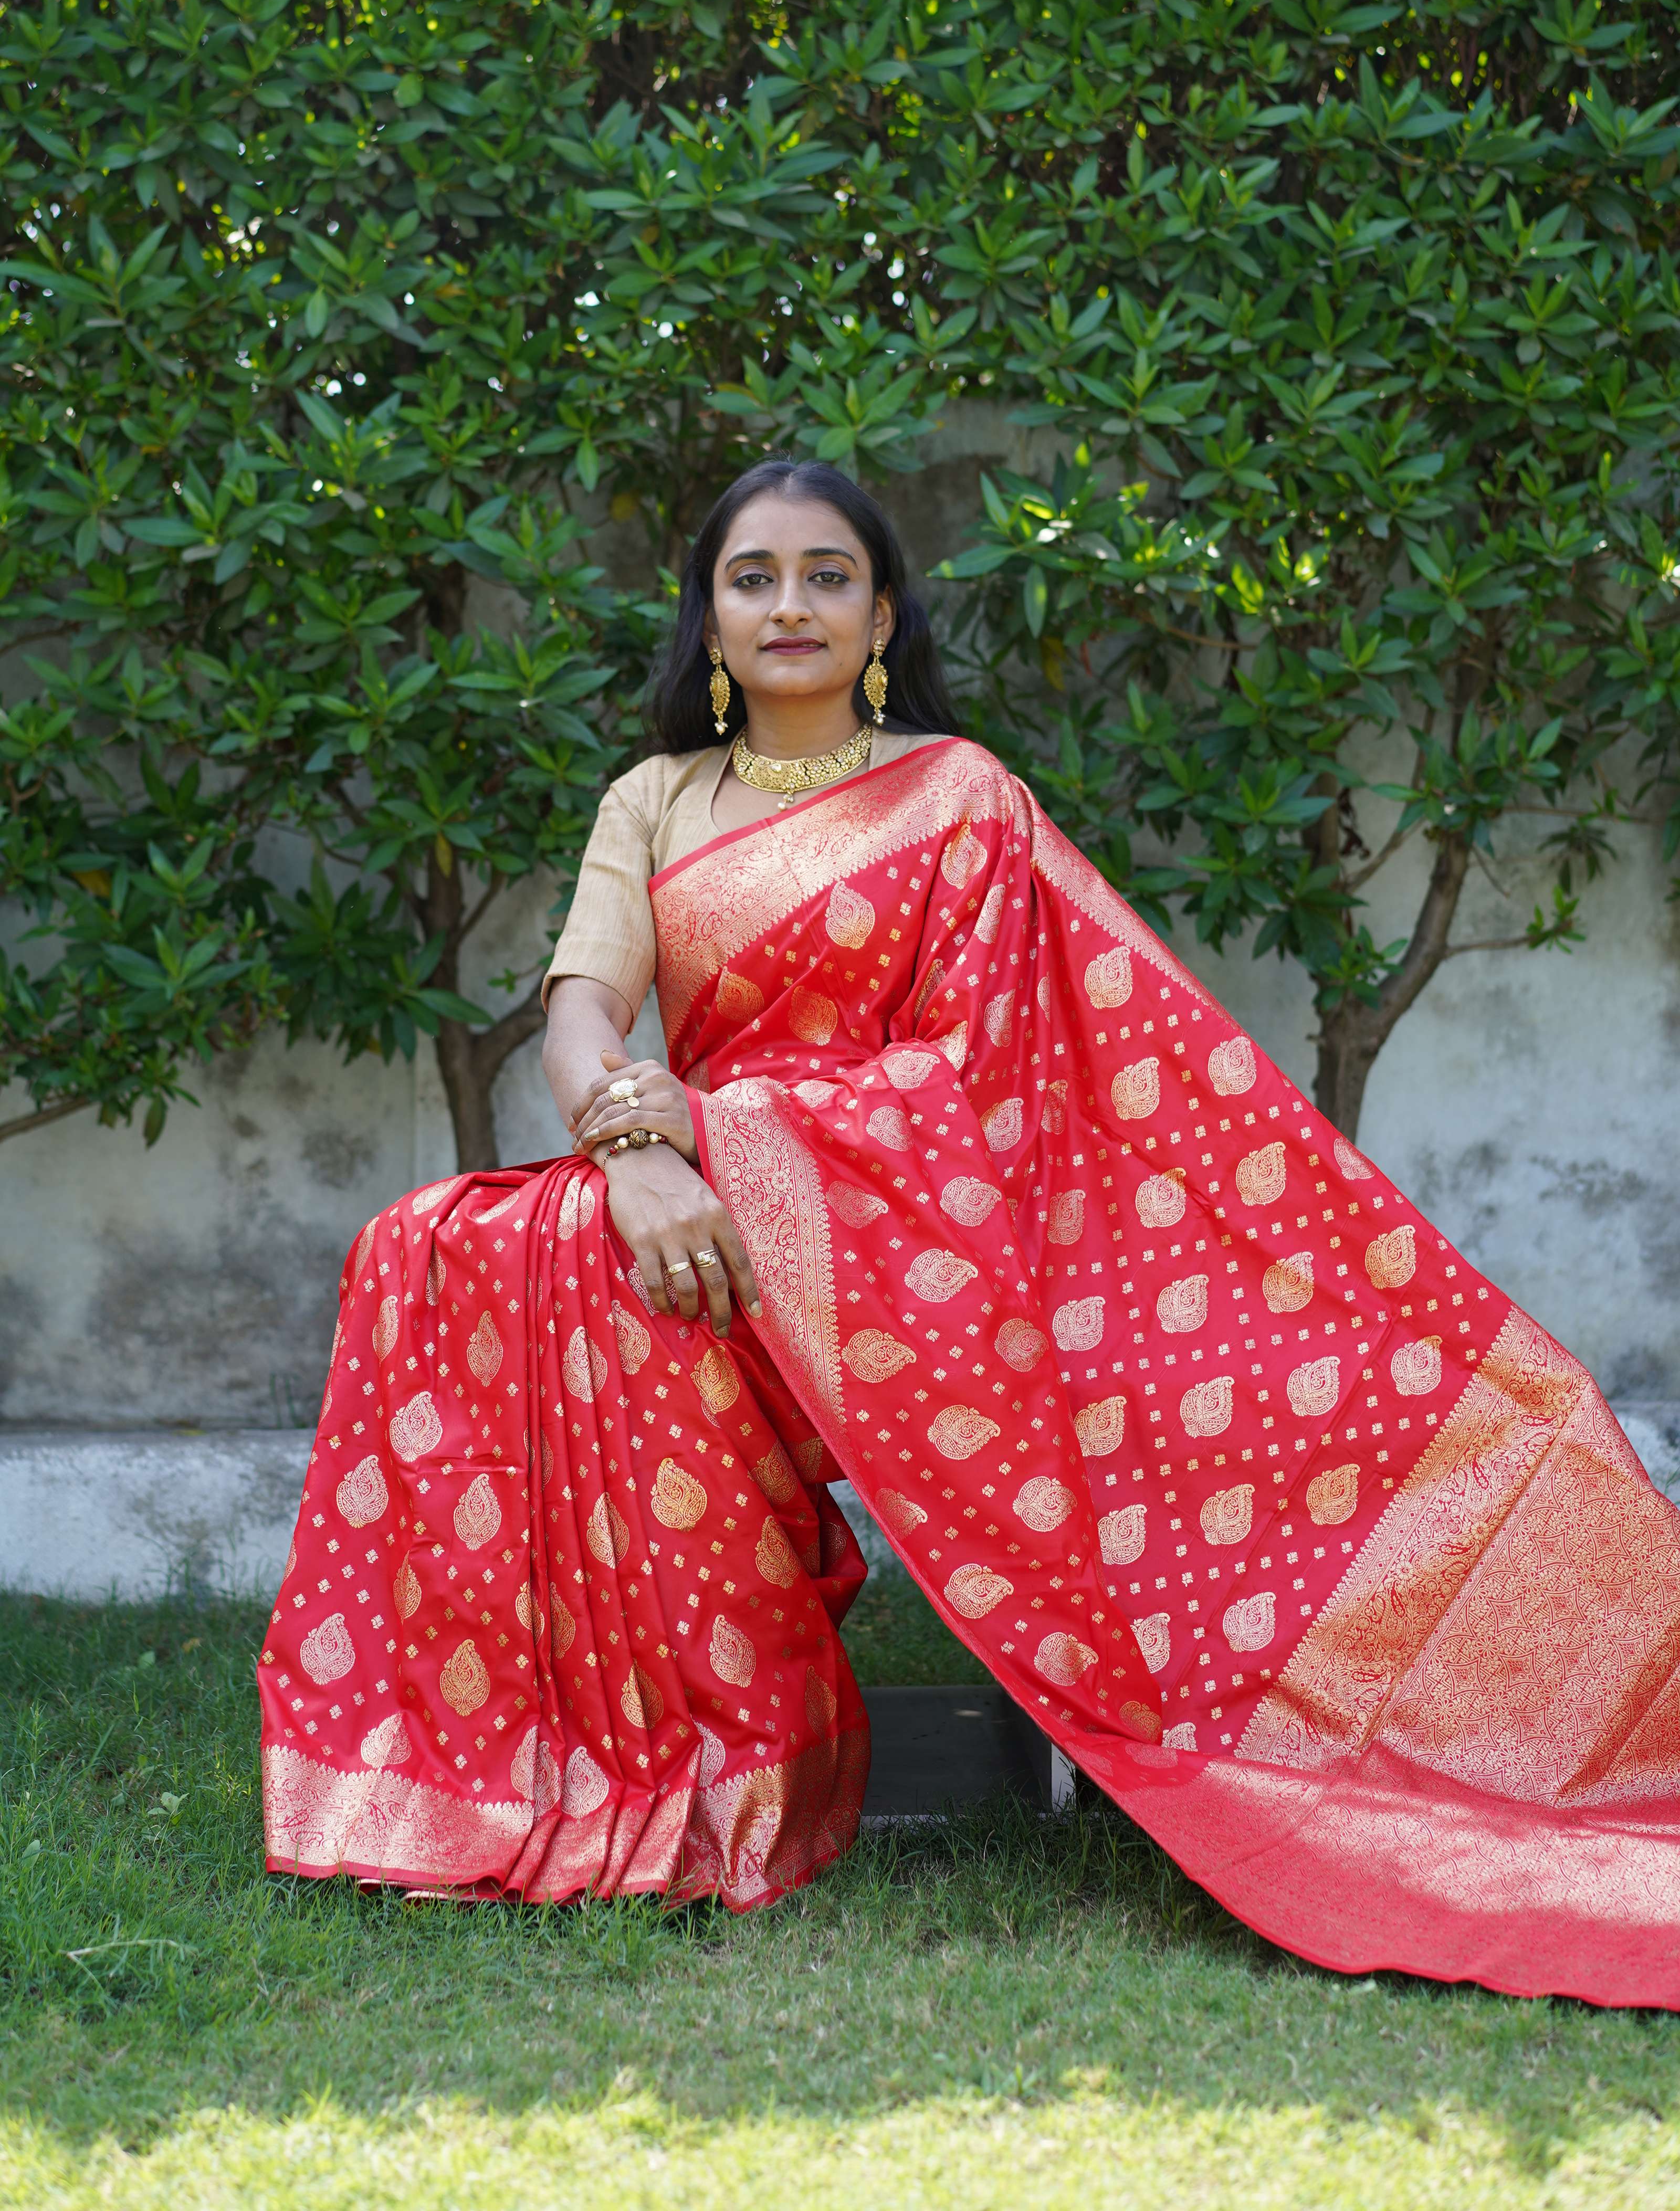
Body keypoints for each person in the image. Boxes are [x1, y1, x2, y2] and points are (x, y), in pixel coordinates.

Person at [261, 458, 1680, 2007]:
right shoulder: (654, 799)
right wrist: (637, 1145)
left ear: (880, 612)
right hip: (694, 1188)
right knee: (432, 1244)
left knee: (606, 1270)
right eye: (753, 578)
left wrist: (720, 1142)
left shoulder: (957, 795)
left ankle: (733, 1770)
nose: (788, 604)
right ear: (710, 620)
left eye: (825, 575)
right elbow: (584, 1011)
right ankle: (574, 1768)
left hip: (900, 1237)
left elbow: (977, 1076)